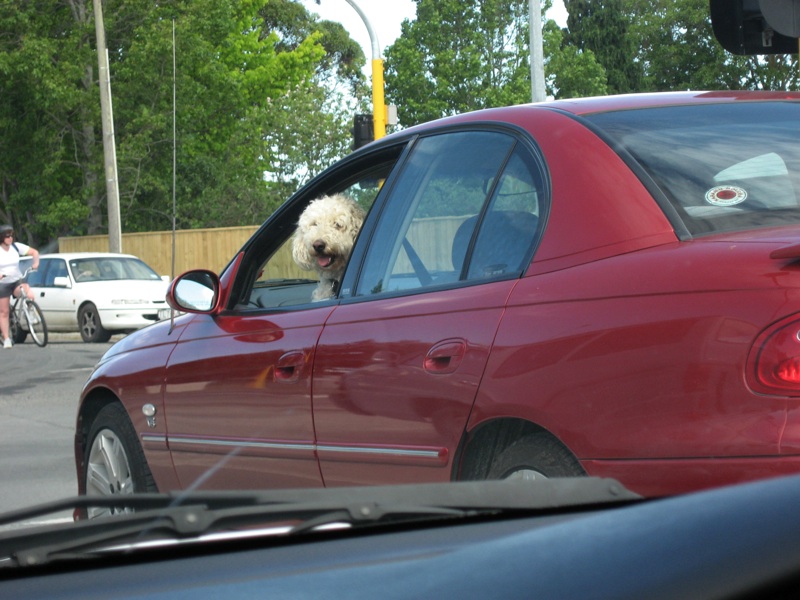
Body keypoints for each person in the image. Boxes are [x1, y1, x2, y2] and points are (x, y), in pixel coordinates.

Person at [0, 224, 40, 348]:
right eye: (7, 236)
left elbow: (34, 252)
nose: (10, 238)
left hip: (16, 279)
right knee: (4, 311)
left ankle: (31, 312)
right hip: (3, 283)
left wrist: (36, 264)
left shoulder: (16, 247)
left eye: (11, 236)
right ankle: (6, 338)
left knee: (28, 292)